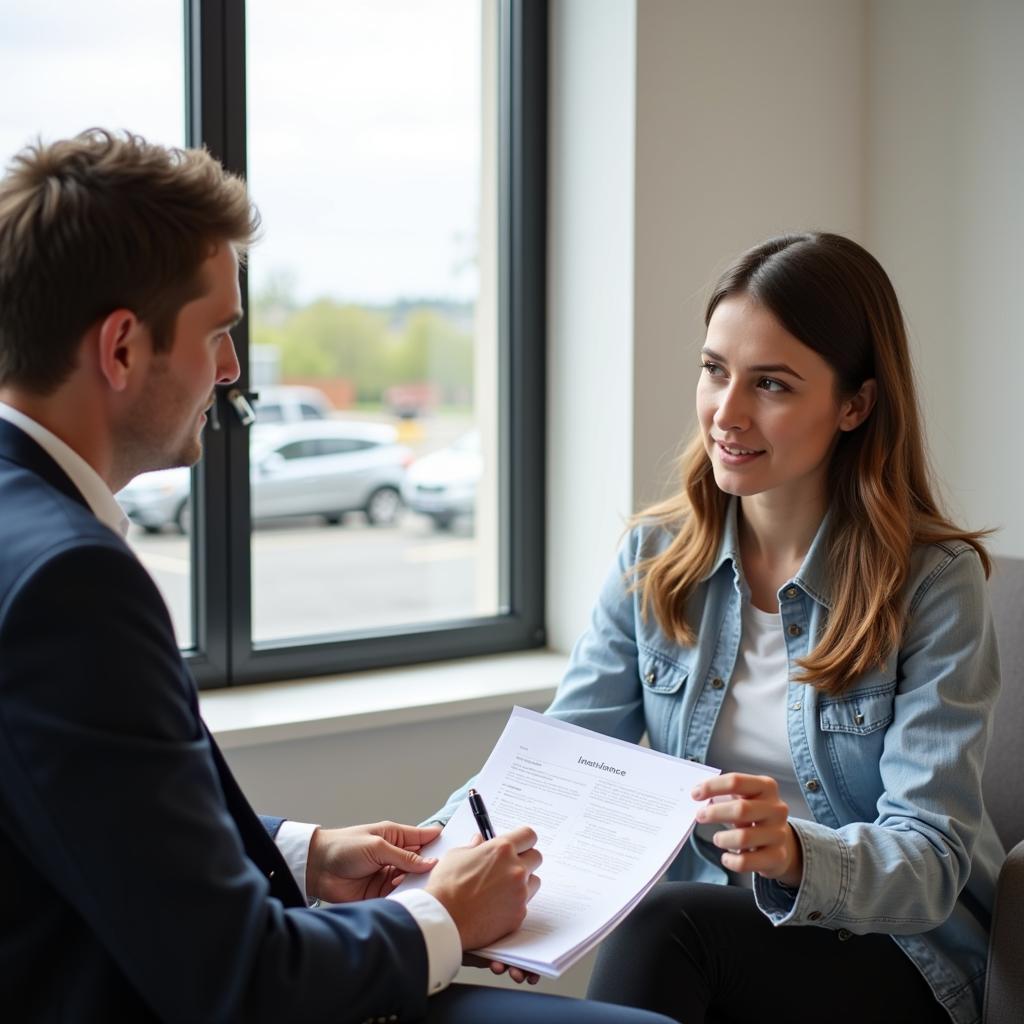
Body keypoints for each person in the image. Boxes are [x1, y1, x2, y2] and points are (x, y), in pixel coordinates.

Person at [0, 129, 673, 1024]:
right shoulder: (72, 584)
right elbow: (239, 980)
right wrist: (441, 915)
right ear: (121, 349)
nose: (234, 372)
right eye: (219, 333)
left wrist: (305, 853)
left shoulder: (31, 537)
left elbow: (99, 828)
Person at [431, 232, 1004, 1024]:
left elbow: (933, 859)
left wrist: (797, 852)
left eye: (771, 384)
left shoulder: (933, 582)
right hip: (717, 944)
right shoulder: (657, 556)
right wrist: (421, 853)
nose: (726, 413)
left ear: (855, 404)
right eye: (714, 371)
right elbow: (557, 763)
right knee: (659, 928)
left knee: (667, 925)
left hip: (896, 954)